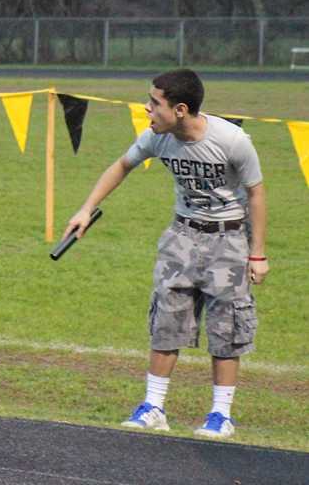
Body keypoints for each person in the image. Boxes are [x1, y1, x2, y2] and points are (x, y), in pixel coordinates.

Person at [62, 69, 268, 439]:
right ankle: (153, 407)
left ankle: (221, 415)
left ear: (181, 109)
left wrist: (257, 254)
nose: (147, 108)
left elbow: (256, 193)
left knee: (227, 326)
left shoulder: (232, 141)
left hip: (228, 240)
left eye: (155, 103)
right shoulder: (158, 138)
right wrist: (85, 208)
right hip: (181, 236)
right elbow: (121, 166)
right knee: (166, 320)